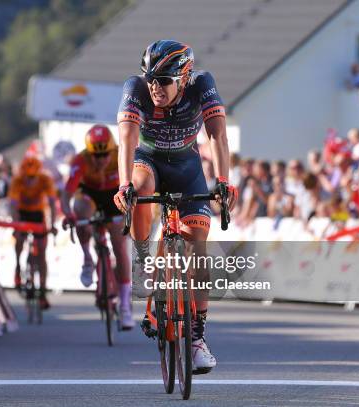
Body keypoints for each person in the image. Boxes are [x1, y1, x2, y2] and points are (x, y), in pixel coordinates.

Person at [113, 40, 237, 373]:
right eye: (151, 79)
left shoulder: (202, 85)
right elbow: (126, 138)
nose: (155, 87)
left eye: (164, 80)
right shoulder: (136, 89)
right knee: (140, 188)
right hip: (148, 161)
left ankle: (196, 339)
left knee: (197, 246)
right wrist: (124, 185)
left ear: (183, 78)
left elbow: (218, 136)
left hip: (187, 168)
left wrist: (224, 182)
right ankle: (142, 259)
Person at [60, 124, 134, 329]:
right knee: (80, 210)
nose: (100, 160)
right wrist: (68, 214)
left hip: (114, 196)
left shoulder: (121, 155)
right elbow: (66, 194)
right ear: (88, 153)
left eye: (104, 155)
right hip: (89, 195)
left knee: (119, 247)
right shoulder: (80, 160)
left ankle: (126, 305)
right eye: (95, 155)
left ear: (112, 150)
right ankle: (87, 258)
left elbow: (135, 185)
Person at [9, 155, 57, 310]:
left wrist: (53, 224)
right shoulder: (17, 180)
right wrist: (16, 227)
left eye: (32, 177)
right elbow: (13, 206)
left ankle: (42, 291)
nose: (29, 181)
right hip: (22, 214)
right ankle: (17, 265)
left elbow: (52, 203)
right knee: (19, 241)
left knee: (42, 253)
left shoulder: (45, 179)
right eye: (27, 177)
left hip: (38, 215)